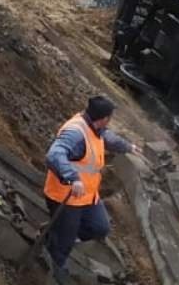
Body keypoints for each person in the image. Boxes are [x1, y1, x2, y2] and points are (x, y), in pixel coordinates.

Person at [43, 95, 137, 273]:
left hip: (87, 196)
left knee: (100, 228)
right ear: (104, 119)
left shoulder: (95, 128)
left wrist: (128, 147)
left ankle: (57, 233)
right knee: (64, 242)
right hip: (66, 196)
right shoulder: (76, 133)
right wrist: (73, 178)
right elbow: (54, 155)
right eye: (109, 118)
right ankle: (53, 267)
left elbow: (108, 138)